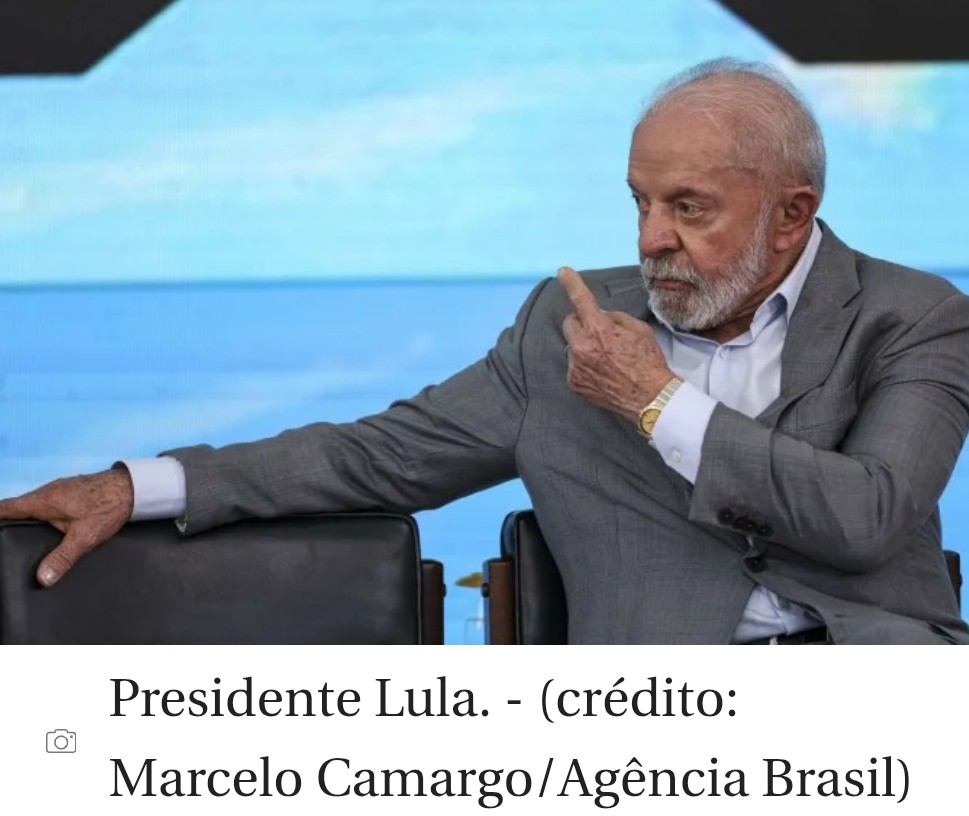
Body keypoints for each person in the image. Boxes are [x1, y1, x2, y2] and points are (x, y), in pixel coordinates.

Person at [2, 58, 968, 644]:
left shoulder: (915, 316)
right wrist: (136, 486)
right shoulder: (567, 326)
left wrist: (655, 401)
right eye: (639, 201)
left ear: (791, 215)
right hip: (658, 724)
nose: (649, 239)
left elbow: (866, 517)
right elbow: (377, 455)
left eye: (688, 208)